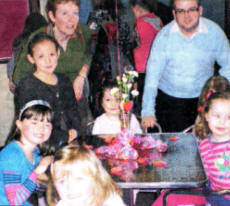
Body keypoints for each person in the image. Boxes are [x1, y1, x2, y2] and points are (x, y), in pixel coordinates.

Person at [141, 0, 230, 132]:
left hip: (204, 101)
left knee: (205, 147)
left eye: (191, 9)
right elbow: (152, 78)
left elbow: (228, 66)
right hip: (169, 103)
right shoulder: (163, 38)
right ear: (174, 13)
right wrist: (148, 111)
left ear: (200, 10)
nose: (186, 15)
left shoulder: (215, 33)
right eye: (180, 11)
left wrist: (220, 95)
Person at [12, 0, 93, 129]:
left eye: (75, 13)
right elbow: (19, 77)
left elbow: (89, 53)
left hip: (76, 104)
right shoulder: (38, 39)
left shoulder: (83, 33)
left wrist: (81, 75)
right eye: (64, 13)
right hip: (46, 108)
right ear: (52, 16)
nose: (71, 20)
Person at [152, 91, 230, 206]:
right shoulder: (204, 145)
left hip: (225, 198)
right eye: (217, 116)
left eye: (229, 117)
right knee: (170, 196)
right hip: (212, 194)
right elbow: (202, 176)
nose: (222, 122)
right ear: (206, 116)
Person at [14, 32, 81, 150]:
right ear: (31, 58)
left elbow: (73, 110)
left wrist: (75, 130)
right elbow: (31, 123)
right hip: (38, 144)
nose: (48, 61)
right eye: (41, 57)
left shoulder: (64, 80)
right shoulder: (27, 86)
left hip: (68, 141)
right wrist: (63, 136)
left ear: (58, 53)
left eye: (51, 54)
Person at [0, 100, 54, 205]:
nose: (41, 128)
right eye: (34, 122)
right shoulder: (11, 155)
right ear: (19, 125)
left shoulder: (36, 152)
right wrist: (39, 170)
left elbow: (39, 184)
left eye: (47, 124)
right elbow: (15, 201)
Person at [46, 145, 126, 206]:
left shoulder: (111, 201)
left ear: (96, 178)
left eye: (78, 179)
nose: (69, 187)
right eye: (61, 181)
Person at [130, 0, 162, 115]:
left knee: (143, 107)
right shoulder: (157, 20)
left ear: (137, 8)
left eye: (132, 10)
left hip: (142, 71)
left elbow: (133, 45)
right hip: (156, 70)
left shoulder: (140, 24)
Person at [7, 12, 48, 93]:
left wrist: (11, 79)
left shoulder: (19, 41)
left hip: (22, 88)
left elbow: (11, 64)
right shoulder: (44, 40)